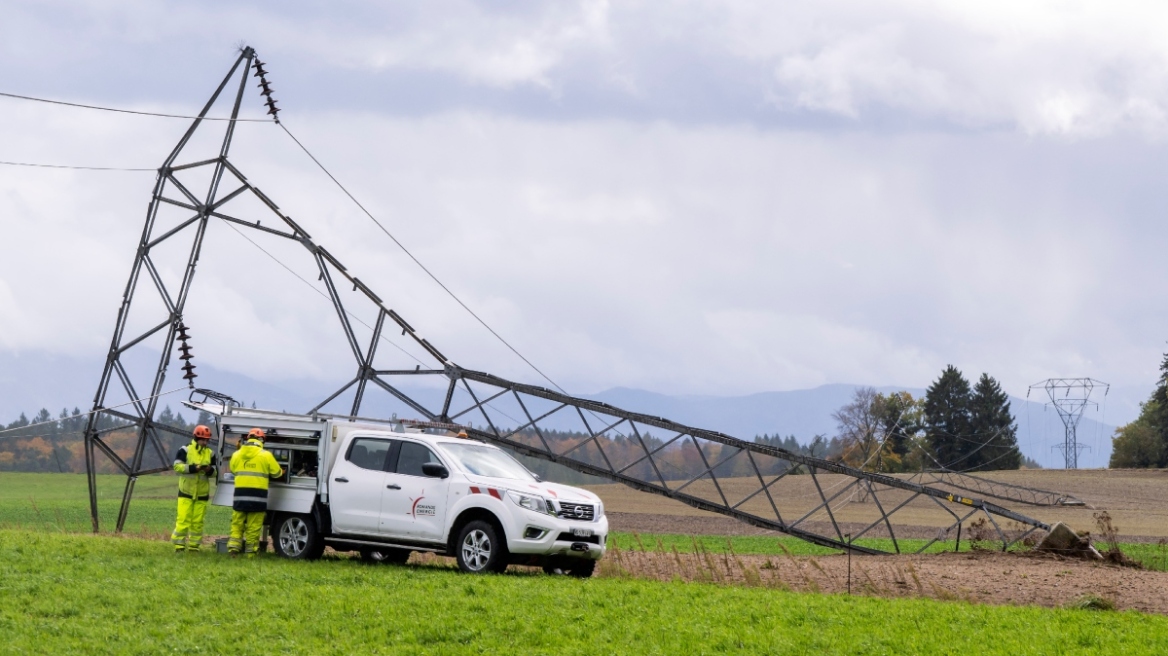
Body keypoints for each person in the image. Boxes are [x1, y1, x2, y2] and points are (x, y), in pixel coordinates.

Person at [227, 428, 283, 557]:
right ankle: (250, 553)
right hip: (257, 497)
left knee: (237, 524)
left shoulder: (236, 454)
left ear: (248, 439)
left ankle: (233, 549)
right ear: (262, 440)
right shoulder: (266, 455)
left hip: (239, 496)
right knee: (253, 527)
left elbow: (233, 470)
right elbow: (277, 473)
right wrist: (282, 472)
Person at [171, 424, 217, 552]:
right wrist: (193, 468)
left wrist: (208, 470)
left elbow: (215, 472)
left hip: (202, 494)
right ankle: (179, 546)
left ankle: (194, 547)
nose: (205, 443)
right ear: (196, 438)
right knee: (183, 520)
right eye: (203, 440)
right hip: (186, 492)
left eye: (207, 440)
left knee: (198, 522)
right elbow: (177, 466)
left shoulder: (211, 453)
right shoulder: (185, 450)